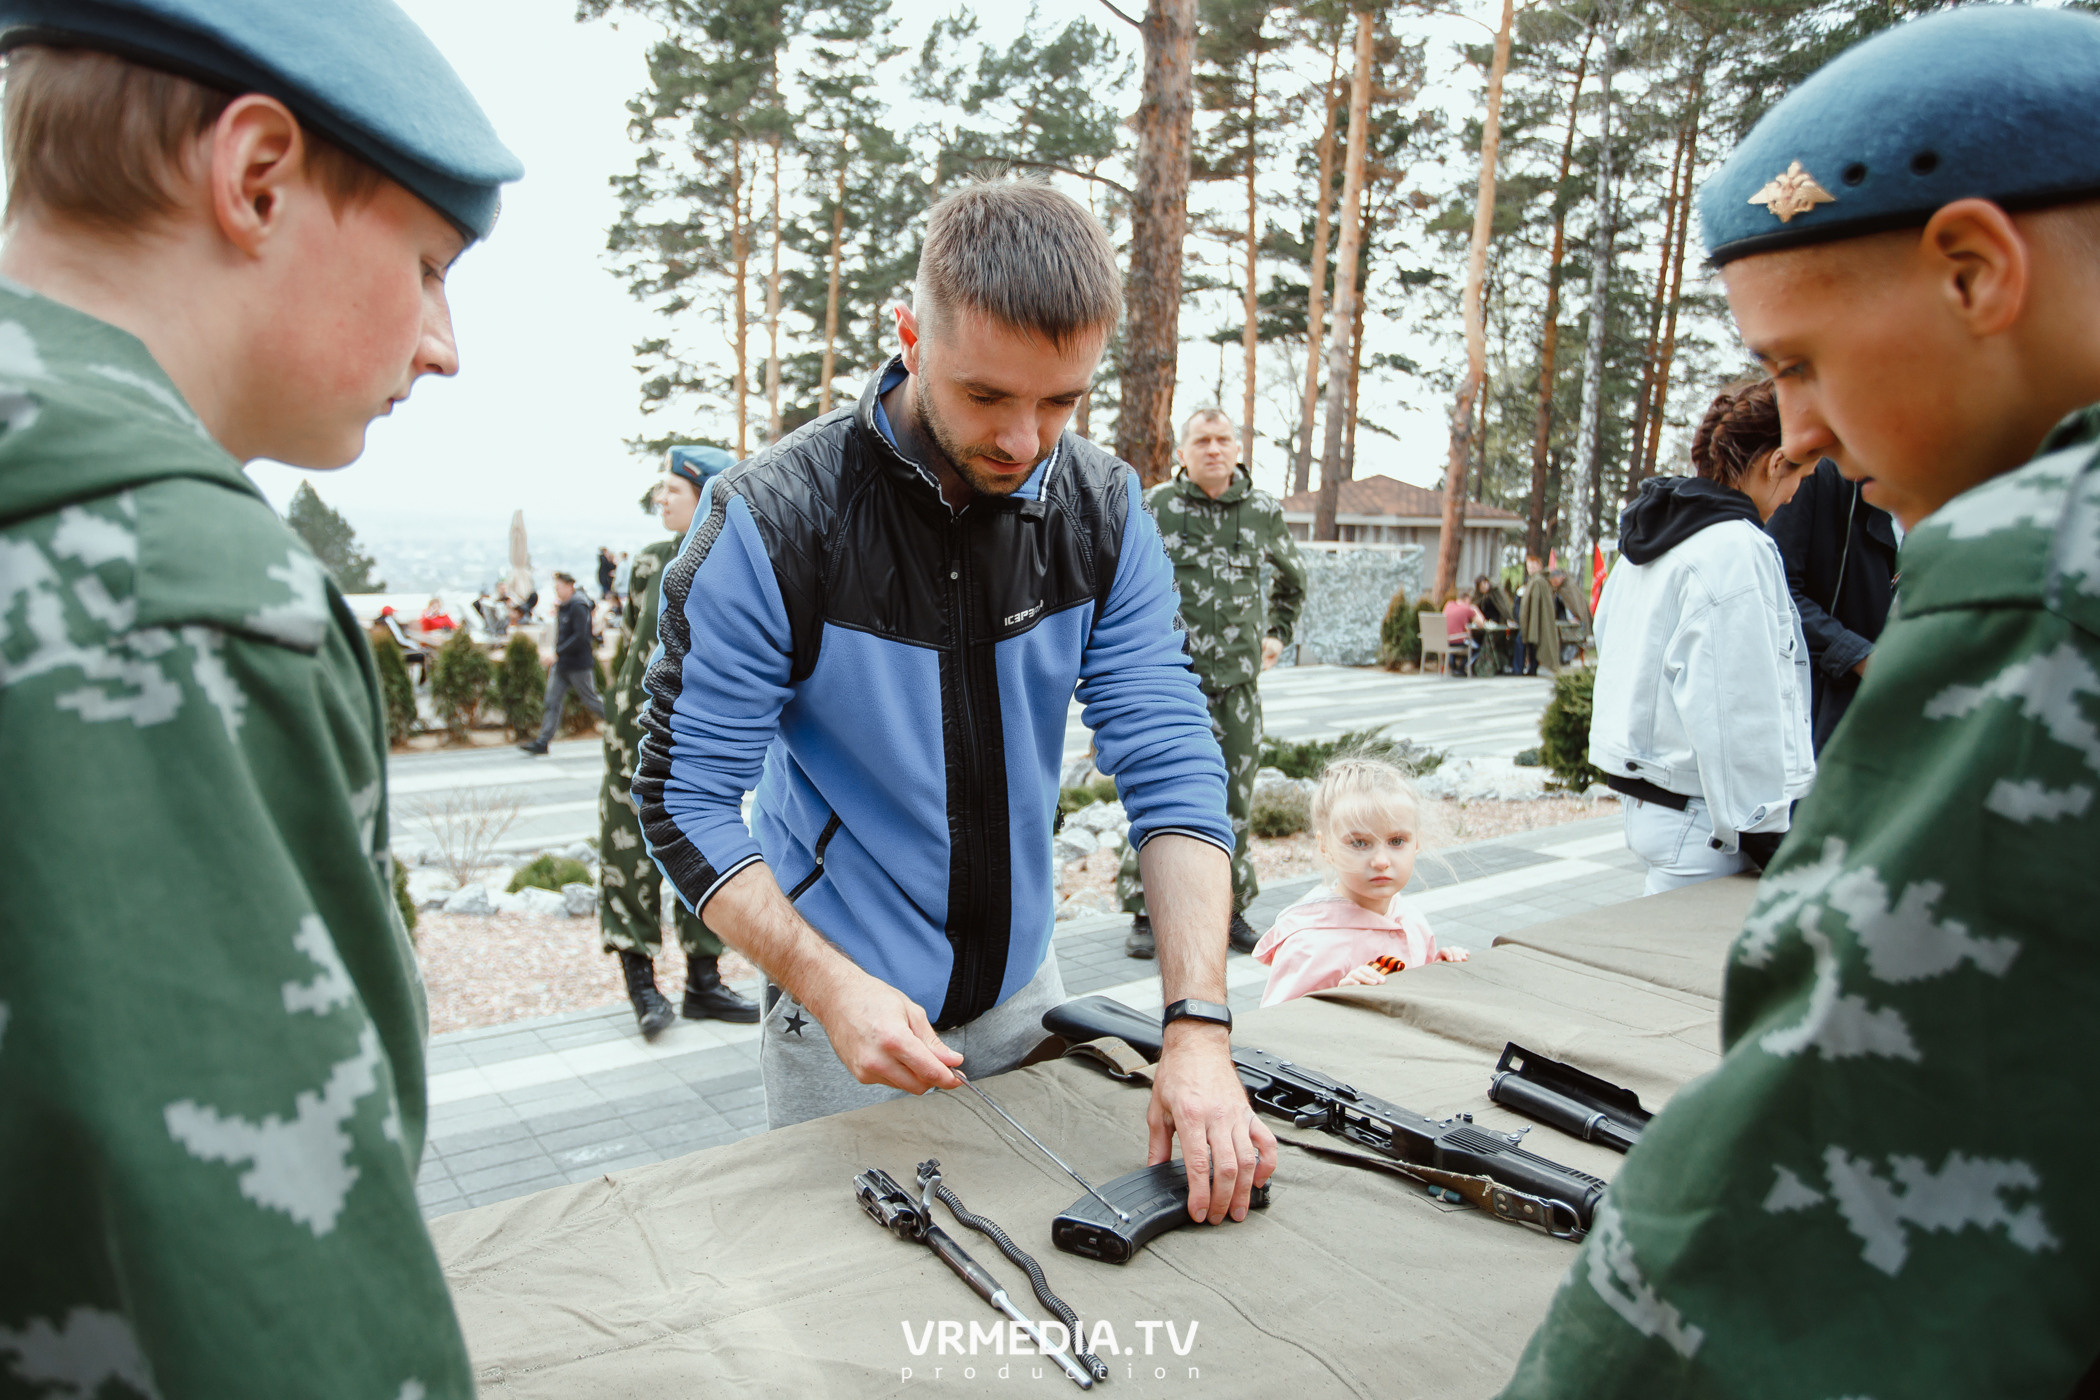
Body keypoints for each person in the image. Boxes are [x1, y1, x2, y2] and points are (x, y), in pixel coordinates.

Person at [1501, 10, 2100, 1395]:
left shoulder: (2045, 573)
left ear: (1974, 271)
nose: (1807, 434)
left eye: (1800, 361)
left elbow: (1795, 1208)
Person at [0, 1, 519, 1393]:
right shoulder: (185, 597)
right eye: (426, 264)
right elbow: (264, 1284)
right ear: (259, 178)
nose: (443, 343)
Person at [634, 179, 1277, 1227]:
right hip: (844, 1010)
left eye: (1062, 401)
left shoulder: (1103, 509)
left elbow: (1169, 754)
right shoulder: (774, 522)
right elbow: (681, 796)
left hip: (1029, 987)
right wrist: (827, 981)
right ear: (910, 335)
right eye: (987, 396)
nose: (1026, 441)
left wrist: (1197, 1027)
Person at [1587, 379, 1816, 894]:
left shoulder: (1651, 542)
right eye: (1803, 474)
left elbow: (1612, 643)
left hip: (1654, 799)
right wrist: (1768, 833)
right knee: (1696, 967)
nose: (1798, 494)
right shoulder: (1735, 548)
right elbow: (1740, 706)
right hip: (1710, 819)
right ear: (1776, 462)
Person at [1117, 406, 1307, 960]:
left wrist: (1278, 633)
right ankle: (1145, 912)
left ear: (1238, 449)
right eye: (1201, 440)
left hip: (1238, 687)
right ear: (1182, 453)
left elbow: (1294, 580)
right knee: (1157, 792)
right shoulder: (1157, 507)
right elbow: (1121, 579)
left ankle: (1231, 909)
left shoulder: (1263, 512)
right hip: (1171, 682)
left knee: (1235, 800)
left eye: (1223, 439)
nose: (1214, 449)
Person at [599, 446, 757, 1035]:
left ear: (706, 495)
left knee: (705, 846)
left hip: (698, 736)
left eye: (673, 489)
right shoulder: (647, 563)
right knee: (626, 852)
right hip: (631, 733)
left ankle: (704, 981)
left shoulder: (735, 560)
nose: (661, 498)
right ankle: (641, 983)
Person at [1251, 753, 1466, 1007]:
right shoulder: (1310, 945)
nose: (1381, 861)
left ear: (1416, 841)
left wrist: (1438, 969)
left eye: (1396, 841)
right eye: (1359, 843)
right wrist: (1340, 1000)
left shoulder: (1411, 920)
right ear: (1325, 847)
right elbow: (1273, 1031)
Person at [1765, 456, 1900, 750]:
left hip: (1898, 719)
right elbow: (1775, 590)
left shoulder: (1949, 498)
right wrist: (1858, 656)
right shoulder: (1820, 472)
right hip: (1814, 718)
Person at [519, 571, 601, 756]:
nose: (556, 590)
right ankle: (542, 741)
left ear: (569, 585)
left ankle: (619, 723)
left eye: (558, 587)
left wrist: (557, 653)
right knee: (552, 701)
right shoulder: (565, 605)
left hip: (578, 664)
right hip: (563, 664)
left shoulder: (578, 605)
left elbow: (581, 636)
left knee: (591, 700)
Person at [1513, 553, 1556, 675]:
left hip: (1534, 620)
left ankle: (1520, 669)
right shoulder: (1534, 580)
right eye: (1528, 566)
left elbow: (1537, 604)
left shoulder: (1538, 581)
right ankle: (1528, 669)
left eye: (1533, 565)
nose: (1530, 568)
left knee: (1524, 642)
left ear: (1539, 566)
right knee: (1529, 644)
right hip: (1530, 619)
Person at [1441, 590, 1486, 677]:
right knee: (1477, 648)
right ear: (1467, 599)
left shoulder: (1448, 604)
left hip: (1446, 640)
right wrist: (1475, 609)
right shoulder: (1466, 608)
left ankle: (1453, 667)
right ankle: (1462, 667)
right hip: (1459, 640)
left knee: (1453, 641)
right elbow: (1481, 623)